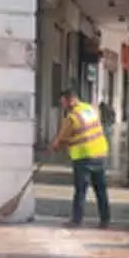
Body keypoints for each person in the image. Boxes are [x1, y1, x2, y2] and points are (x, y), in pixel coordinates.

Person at [50, 90, 112, 228]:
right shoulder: (90, 109)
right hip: (100, 153)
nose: (62, 105)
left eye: (63, 102)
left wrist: (55, 146)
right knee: (100, 189)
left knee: (81, 190)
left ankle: (76, 220)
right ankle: (105, 220)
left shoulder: (72, 117)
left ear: (70, 100)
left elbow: (63, 137)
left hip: (84, 157)